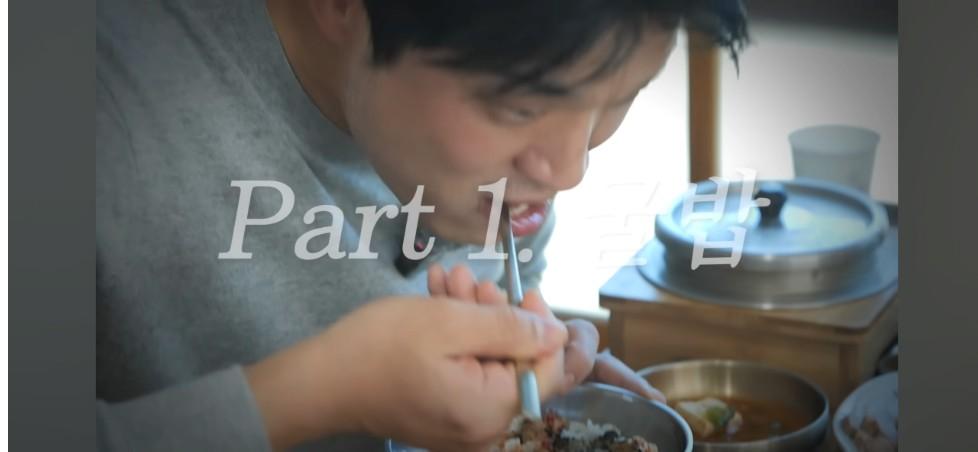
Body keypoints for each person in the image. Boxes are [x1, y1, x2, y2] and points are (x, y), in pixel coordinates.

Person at [95, 0, 748, 450]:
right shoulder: (101, 108)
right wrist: (331, 387)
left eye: (621, 97)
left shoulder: (507, 164)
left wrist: (522, 392)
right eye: (521, 108)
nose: (570, 169)